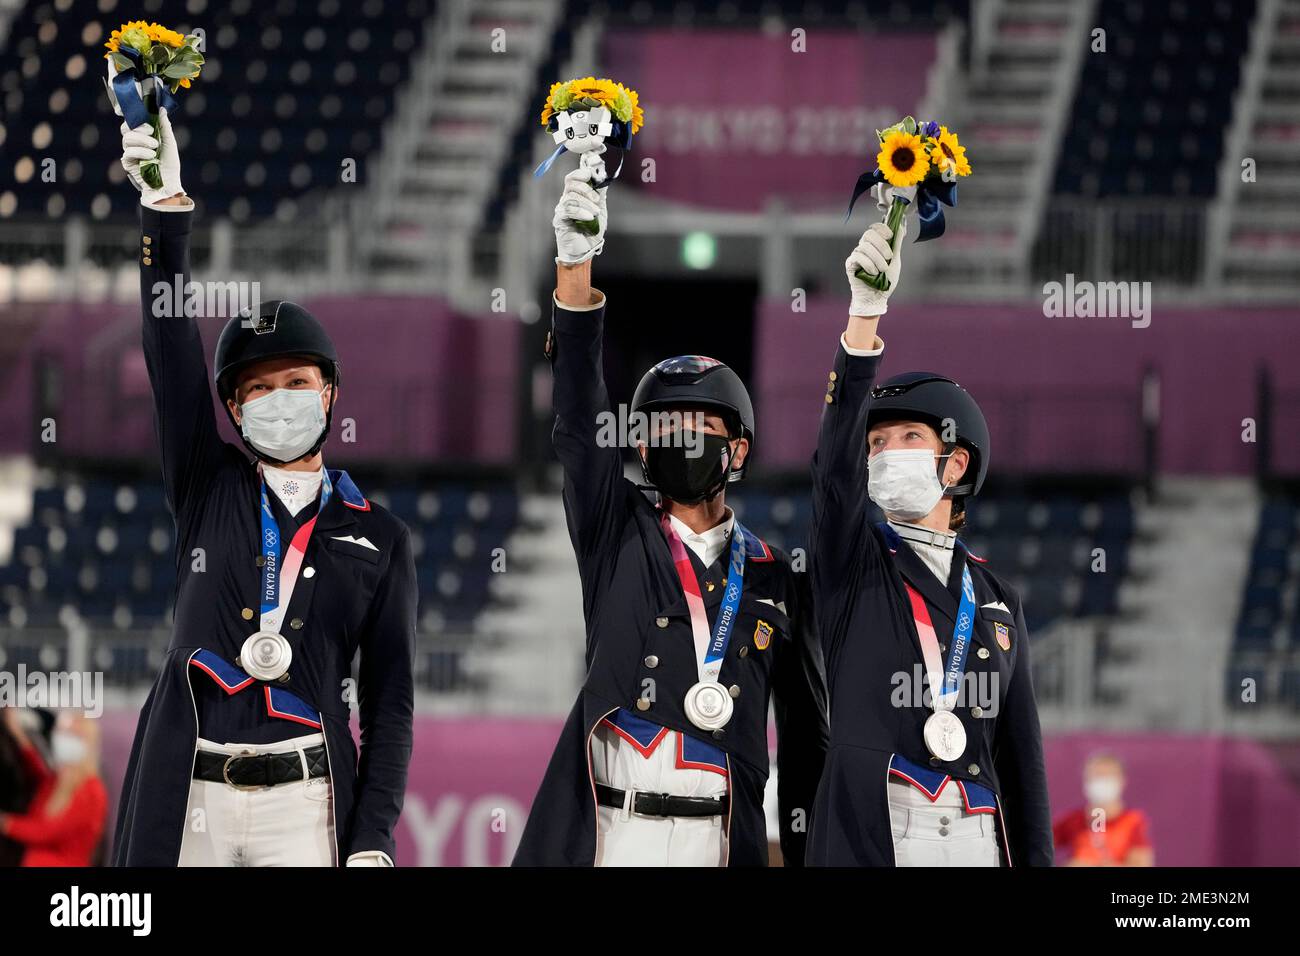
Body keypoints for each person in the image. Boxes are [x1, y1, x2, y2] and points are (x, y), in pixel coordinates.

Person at [110, 107, 417, 867]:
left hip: (307, 807)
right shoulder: (205, 484)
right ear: (234, 410)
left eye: (296, 382)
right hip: (191, 797)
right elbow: (168, 345)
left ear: (329, 393)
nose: (278, 398)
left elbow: (390, 707)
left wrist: (373, 840)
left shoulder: (379, 537)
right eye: (257, 389)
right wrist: (163, 218)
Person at [513, 159, 829, 866]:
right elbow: (574, 416)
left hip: (721, 839)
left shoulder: (777, 577)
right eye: (660, 425)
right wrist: (574, 267)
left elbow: (806, 738)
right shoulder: (613, 527)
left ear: (738, 448)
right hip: (614, 836)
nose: (677, 437)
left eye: (698, 424)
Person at [806, 202, 1052, 866]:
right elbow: (832, 473)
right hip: (876, 837)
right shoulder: (851, 563)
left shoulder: (997, 600)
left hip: (976, 839)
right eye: (876, 442)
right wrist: (863, 320)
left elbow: (1022, 768)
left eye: (909, 437)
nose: (886, 453)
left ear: (956, 462)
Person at [0, 708, 107, 867]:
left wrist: (6, 823)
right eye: (60, 732)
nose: (62, 739)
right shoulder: (57, 781)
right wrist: (19, 735)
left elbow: (48, 831)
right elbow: (38, 774)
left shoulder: (92, 790)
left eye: (71, 734)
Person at [1053, 753, 1153, 866]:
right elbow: (1039, 844)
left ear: (1121, 780)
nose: (1101, 781)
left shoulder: (1132, 821)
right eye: (1096, 776)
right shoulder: (1073, 820)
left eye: (1107, 776)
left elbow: (1142, 863)